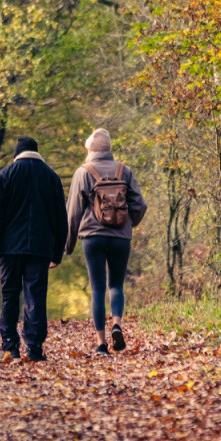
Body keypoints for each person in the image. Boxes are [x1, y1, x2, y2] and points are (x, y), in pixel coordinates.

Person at [0, 136, 68, 363]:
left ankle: (10, 346)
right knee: (35, 296)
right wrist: (57, 252)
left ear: (17, 154)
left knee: (10, 295)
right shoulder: (51, 177)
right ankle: (34, 347)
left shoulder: (6, 175)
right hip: (40, 249)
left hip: (10, 248)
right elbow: (61, 219)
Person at [65, 128, 147, 355]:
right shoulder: (124, 170)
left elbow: (72, 213)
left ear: (90, 149)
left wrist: (67, 245)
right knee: (116, 285)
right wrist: (128, 225)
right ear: (108, 148)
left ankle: (101, 343)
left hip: (92, 238)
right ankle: (117, 324)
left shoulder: (83, 172)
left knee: (98, 288)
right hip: (121, 237)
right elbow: (140, 205)